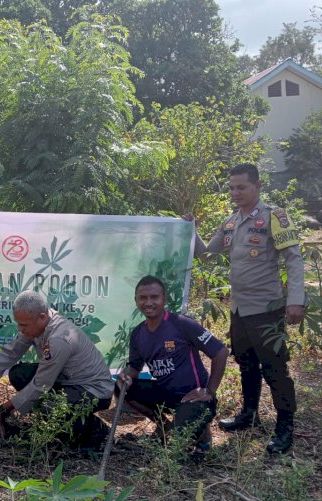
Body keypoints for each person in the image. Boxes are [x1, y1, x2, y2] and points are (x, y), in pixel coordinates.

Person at [191, 163, 305, 454]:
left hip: (266, 308)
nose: (235, 193)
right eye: (231, 188)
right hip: (239, 309)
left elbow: (293, 259)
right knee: (246, 362)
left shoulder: (274, 217)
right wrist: (189, 230)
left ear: (258, 186)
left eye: (241, 187)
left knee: (275, 368)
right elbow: (207, 254)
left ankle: (284, 427)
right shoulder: (231, 222)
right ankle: (249, 414)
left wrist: (295, 299)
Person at [0, 290, 114, 447]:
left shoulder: (59, 339)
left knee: (49, 405)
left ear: (42, 317)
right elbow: (10, 353)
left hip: (94, 390)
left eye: (23, 325)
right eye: (18, 324)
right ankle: (71, 422)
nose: (20, 329)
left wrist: (1, 409)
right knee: (19, 374)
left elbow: (41, 384)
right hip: (66, 380)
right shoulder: (38, 324)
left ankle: (94, 428)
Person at [118, 276, 228, 457]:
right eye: (143, 298)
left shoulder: (181, 324)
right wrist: (125, 376)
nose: (149, 302)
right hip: (164, 392)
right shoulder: (138, 333)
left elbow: (221, 352)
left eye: (154, 297)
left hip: (192, 397)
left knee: (181, 442)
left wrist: (210, 391)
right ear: (136, 300)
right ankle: (164, 426)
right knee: (122, 388)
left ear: (164, 299)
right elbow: (135, 368)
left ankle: (203, 432)